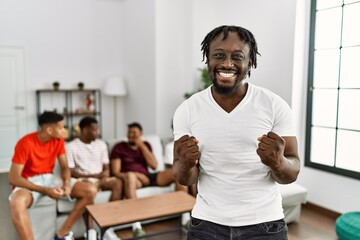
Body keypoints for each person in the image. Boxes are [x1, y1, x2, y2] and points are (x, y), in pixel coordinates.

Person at [172, 25, 300, 240]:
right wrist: (185, 164)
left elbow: (292, 171)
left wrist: (277, 161)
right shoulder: (188, 109)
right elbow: (185, 178)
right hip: (207, 225)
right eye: (219, 55)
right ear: (208, 60)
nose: (227, 63)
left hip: (265, 225)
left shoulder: (274, 105)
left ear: (250, 62)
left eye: (237, 56)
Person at [8, 111, 97, 240]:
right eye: (61, 128)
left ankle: (62, 234)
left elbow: (65, 167)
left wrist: (66, 184)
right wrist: (44, 190)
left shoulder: (58, 140)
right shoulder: (25, 143)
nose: (64, 131)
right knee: (17, 202)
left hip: (50, 178)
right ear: (49, 130)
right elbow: (13, 177)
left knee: (90, 190)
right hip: (30, 181)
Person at [110, 122, 188, 236]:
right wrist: (136, 175)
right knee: (130, 177)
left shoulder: (145, 145)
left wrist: (141, 145)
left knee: (178, 172)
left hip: (148, 177)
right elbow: (116, 172)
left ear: (141, 134)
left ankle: (185, 217)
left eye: (134, 133)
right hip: (132, 179)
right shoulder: (119, 147)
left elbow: (154, 165)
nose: (131, 135)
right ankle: (136, 225)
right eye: (129, 132)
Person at [66, 116, 123, 201]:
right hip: (83, 180)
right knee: (88, 187)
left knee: (118, 183)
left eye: (98, 129)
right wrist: (93, 176)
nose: (98, 132)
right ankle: (90, 213)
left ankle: (112, 212)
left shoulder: (101, 144)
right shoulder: (70, 147)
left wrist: (103, 177)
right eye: (95, 130)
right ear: (85, 130)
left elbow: (106, 168)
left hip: (100, 179)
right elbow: (71, 172)